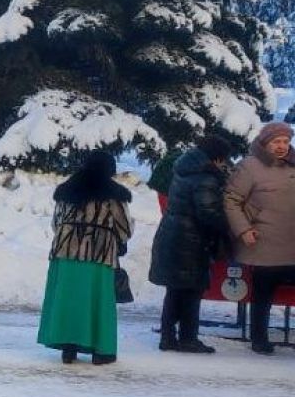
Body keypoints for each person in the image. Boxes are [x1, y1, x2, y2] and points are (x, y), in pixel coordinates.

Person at [37, 151, 133, 365]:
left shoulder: (66, 191)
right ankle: (101, 351)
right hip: (98, 252)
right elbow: (124, 227)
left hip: (65, 251)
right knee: (99, 300)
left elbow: (56, 223)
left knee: (68, 299)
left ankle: (68, 348)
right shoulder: (114, 194)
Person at [148, 135, 234, 353]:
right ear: (216, 158)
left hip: (175, 234)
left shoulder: (184, 169)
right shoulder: (205, 177)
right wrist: (228, 227)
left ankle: (168, 338)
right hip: (191, 240)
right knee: (192, 290)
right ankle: (188, 338)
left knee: (175, 290)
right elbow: (208, 212)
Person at [225, 121, 295, 354]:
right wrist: (243, 230)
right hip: (262, 240)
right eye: (277, 142)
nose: (282, 146)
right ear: (265, 143)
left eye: (286, 141)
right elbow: (231, 200)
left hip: (291, 241)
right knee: (264, 291)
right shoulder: (249, 166)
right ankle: (259, 338)